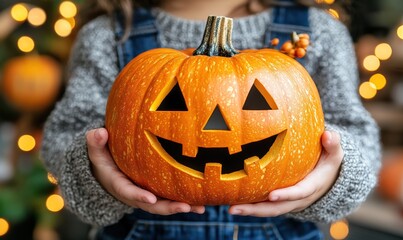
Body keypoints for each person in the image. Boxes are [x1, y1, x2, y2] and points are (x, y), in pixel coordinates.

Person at [41, 0, 381, 239]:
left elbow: (357, 136)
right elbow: (64, 136)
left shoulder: (320, 33)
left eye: (256, 103)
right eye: (173, 102)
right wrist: (94, 172)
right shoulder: (109, 36)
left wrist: (334, 172)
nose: (213, 130)